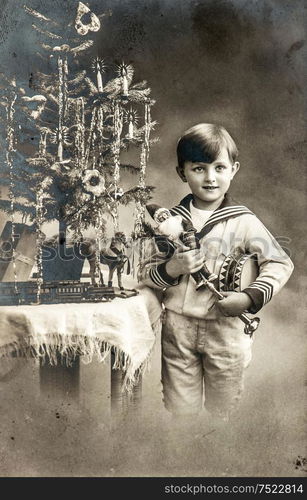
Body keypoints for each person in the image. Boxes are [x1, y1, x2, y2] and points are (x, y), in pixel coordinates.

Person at [138, 123, 294, 421]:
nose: (210, 177)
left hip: (226, 330)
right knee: (180, 409)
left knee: (224, 411)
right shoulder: (168, 223)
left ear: (233, 170)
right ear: (182, 173)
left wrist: (249, 298)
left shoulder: (244, 221)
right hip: (178, 328)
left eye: (219, 167)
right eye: (199, 168)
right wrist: (174, 267)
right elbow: (145, 273)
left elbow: (280, 262)